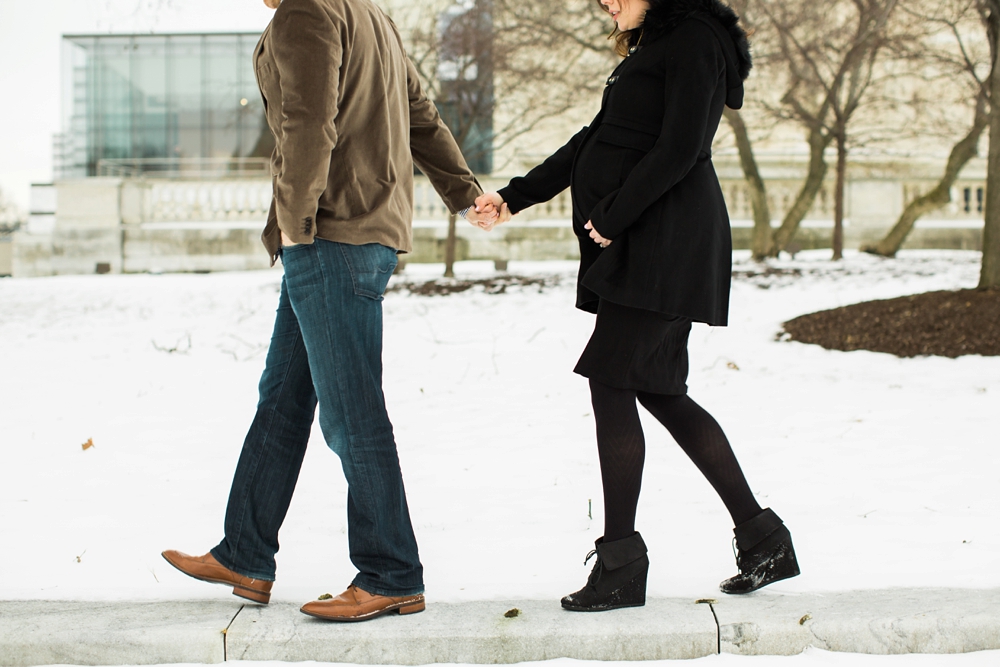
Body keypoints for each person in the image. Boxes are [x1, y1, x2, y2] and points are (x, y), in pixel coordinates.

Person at [162, 0, 498, 623]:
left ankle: (391, 572)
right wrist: (465, 191)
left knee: (351, 411)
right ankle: (244, 551)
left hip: (329, 233)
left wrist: (295, 222)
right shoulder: (370, 14)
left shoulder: (305, 12)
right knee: (284, 397)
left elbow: (307, 122)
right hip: (362, 231)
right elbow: (419, 116)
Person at [477, 0, 799, 611]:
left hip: (667, 241)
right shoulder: (656, 45)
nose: (604, 0)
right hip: (649, 241)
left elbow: (681, 147)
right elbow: (594, 141)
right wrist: (514, 197)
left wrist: (611, 217)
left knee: (612, 380)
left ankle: (623, 561)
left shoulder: (696, 41)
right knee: (656, 389)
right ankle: (763, 540)